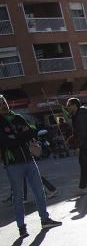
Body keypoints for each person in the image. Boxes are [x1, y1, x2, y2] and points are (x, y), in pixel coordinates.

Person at [0, 94, 61, 237]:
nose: (4, 105)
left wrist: (16, 138)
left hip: (29, 159)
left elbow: (31, 133)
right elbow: (6, 143)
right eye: (0, 103)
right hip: (13, 164)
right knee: (18, 196)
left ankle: (45, 219)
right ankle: (22, 227)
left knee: (39, 191)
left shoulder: (18, 118)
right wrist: (21, 136)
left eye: (4, 101)